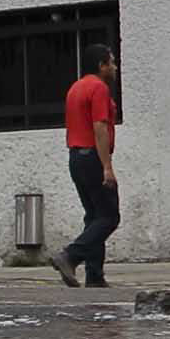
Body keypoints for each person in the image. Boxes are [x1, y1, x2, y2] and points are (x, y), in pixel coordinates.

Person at [54, 44, 123, 288]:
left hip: (76, 157)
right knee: (109, 216)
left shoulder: (75, 88)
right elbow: (99, 127)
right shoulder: (98, 88)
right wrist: (107, 167)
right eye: (111, 62)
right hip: (93, 156)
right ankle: (70, 256)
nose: (114, 67)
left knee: (94, 216)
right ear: (101, 65)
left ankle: (94, 275)